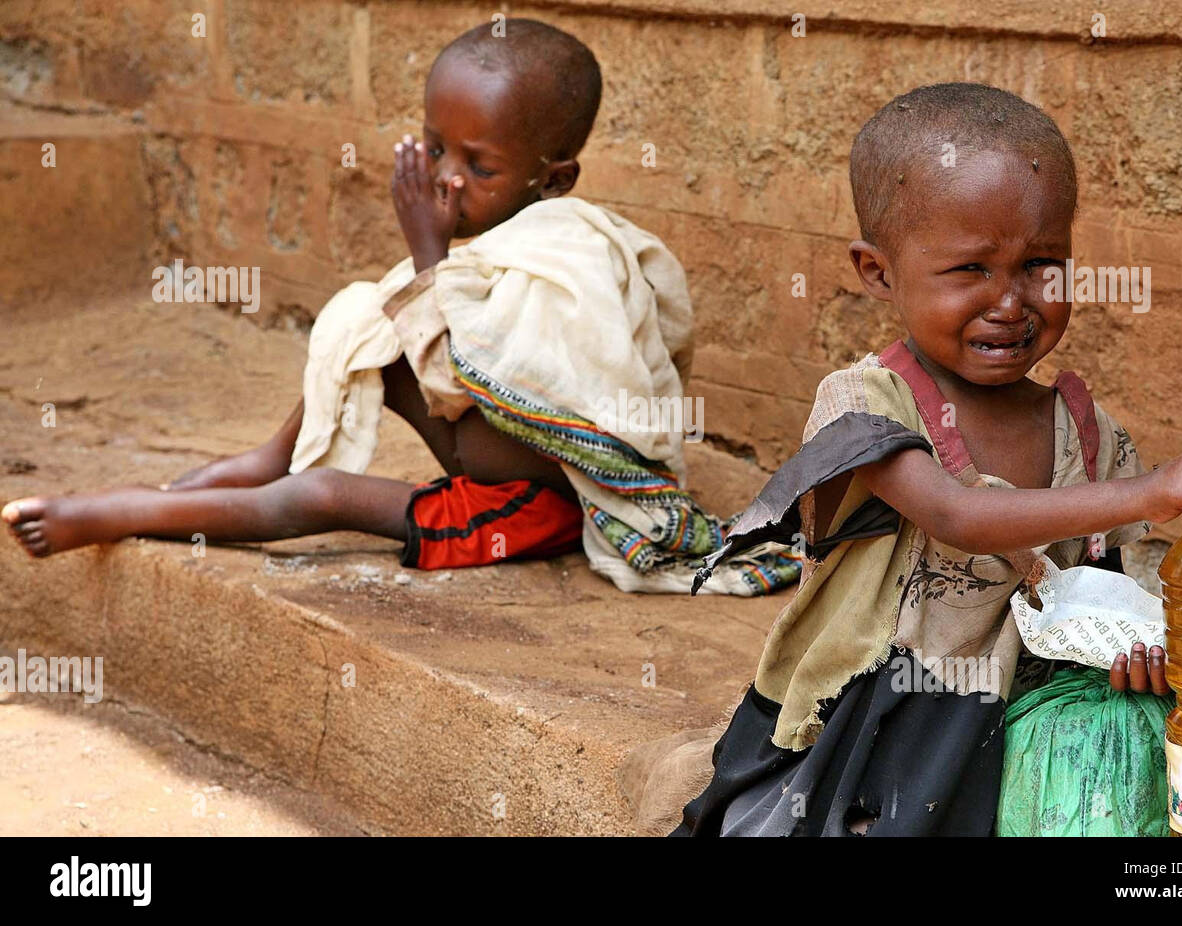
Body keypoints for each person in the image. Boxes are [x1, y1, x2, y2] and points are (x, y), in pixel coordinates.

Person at [3, 19, 798, 596]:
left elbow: (469, 383)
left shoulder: (571, 258)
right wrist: (428, 267)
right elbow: (427, 349)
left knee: (324, 498)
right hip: (478, 442)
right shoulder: (494, 239)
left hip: (533, 500)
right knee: (366, 316)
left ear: (553, 179)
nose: (447, 178)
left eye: (477, 164)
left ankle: (117, 514)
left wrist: (428, 256)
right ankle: (265, 460)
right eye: (435, 146)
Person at [671, 82, 1182, 835]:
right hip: (889, 717)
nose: (1011, 301)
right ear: (878, 271)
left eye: (1041, 263)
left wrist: (1144, 644)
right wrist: (1151, 491)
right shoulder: (863, 403)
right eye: (969, 270)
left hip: (1040, 704)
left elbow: (1115, 576)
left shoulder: (1085, 429)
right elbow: (959, 515)